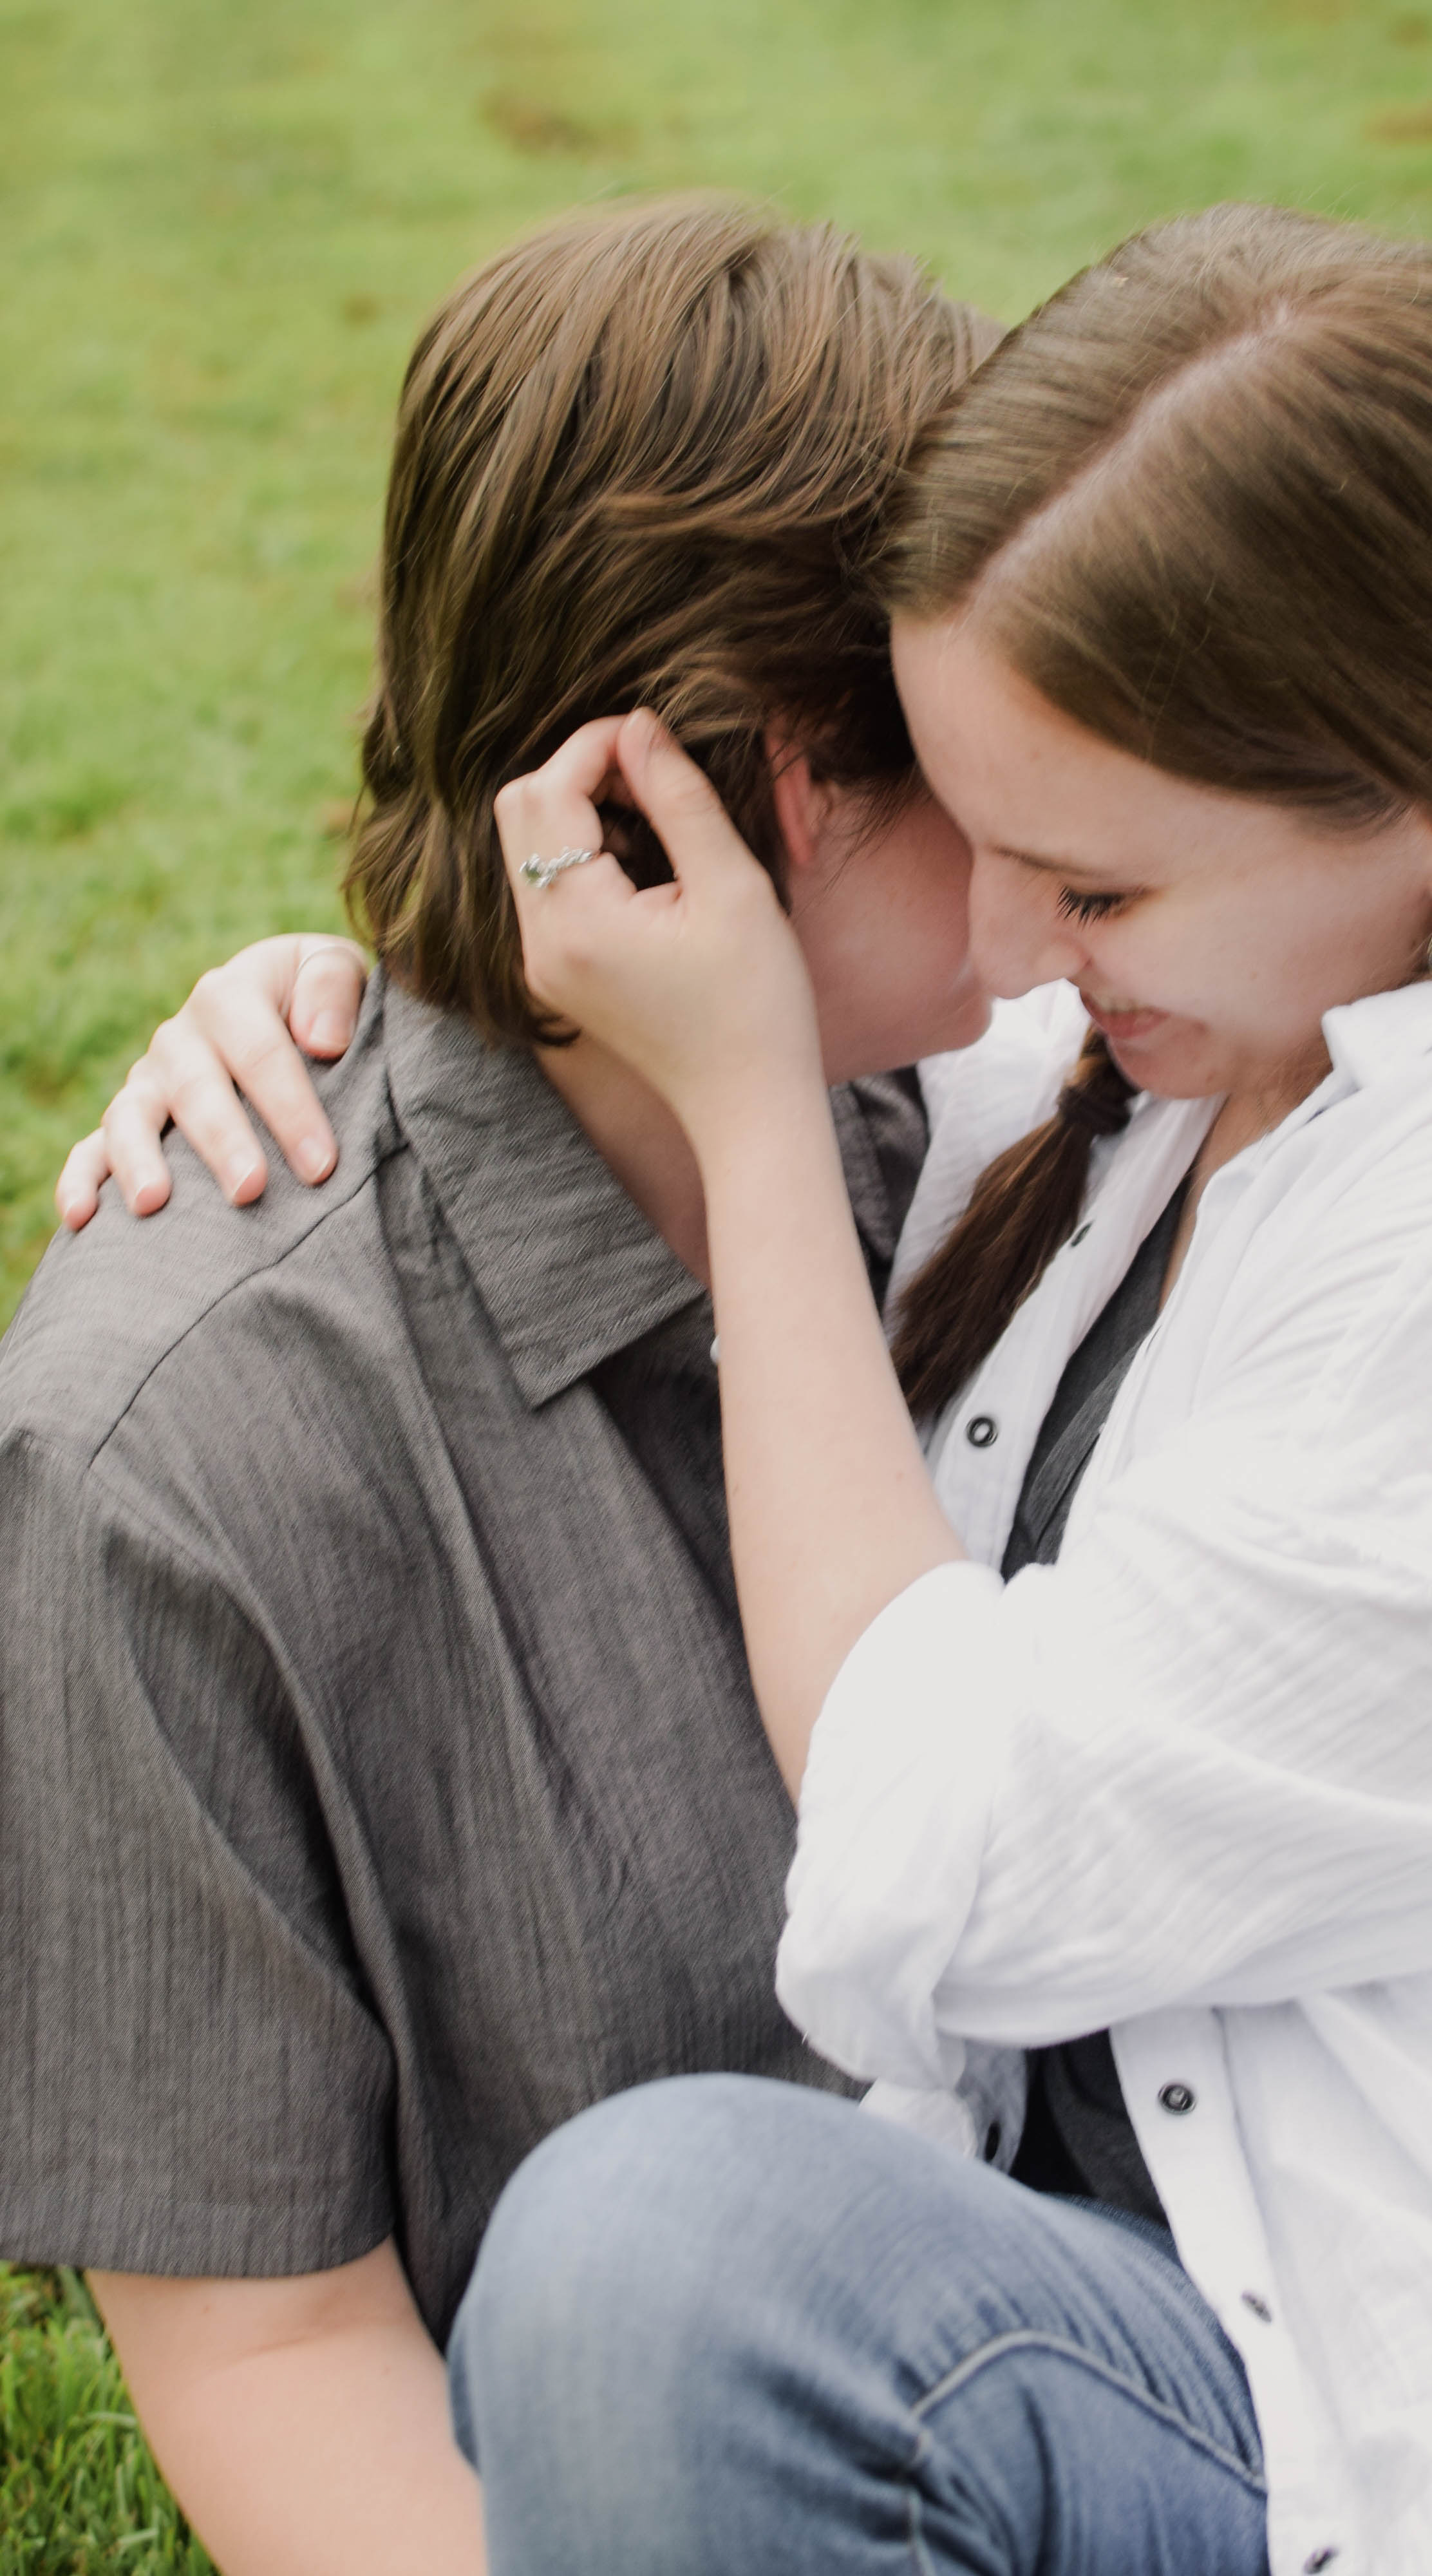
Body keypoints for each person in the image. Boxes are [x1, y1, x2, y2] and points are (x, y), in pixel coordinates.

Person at [59, 204, 1432, 2575]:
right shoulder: (1224, 1024)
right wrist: (345, 981)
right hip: (1230, 2350)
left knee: (664, 2254)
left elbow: (930, 1855)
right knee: (674, 2267)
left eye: (1095, 884)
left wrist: (748, 1100)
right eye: (994, 829)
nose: (1027, 947)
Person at [0, 196, 995, 2576]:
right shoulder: (176, 1458)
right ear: (743, 806)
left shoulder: (1046, 1113)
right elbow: (276, 2361)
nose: (1093, 803)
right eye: (997, 741)